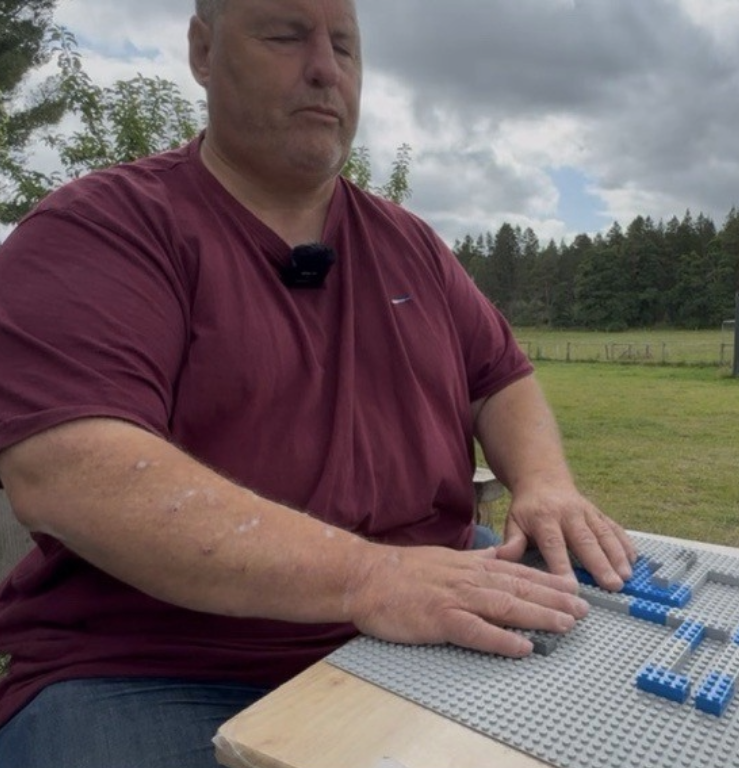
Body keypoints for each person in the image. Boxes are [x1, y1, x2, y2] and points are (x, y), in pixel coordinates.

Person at [0, 0, 636, 765]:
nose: (324, 69)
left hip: (426, 610)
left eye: (344, 44)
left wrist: (543, 483)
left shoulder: (413, 247)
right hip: (157, 662)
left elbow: (500, 377)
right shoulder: (104, 229)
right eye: (284, 34)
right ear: (204, 51)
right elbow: (72, 474)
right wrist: (370, 576)